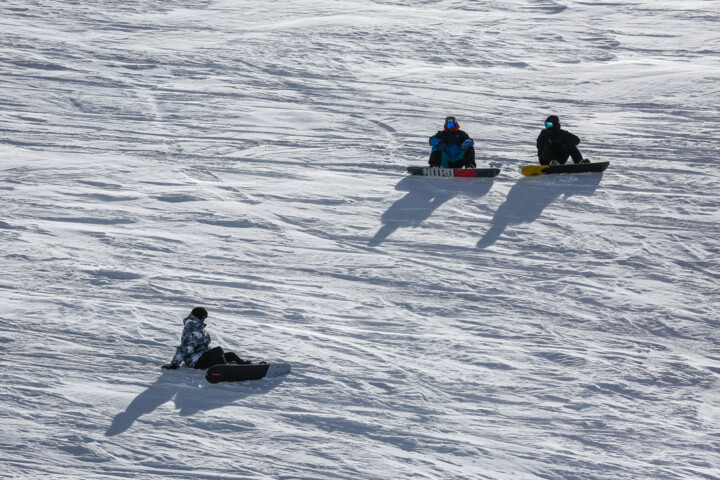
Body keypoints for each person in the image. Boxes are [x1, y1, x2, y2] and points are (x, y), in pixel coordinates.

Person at [162, 307, 251, 370]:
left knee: (230, 355)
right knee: (218, 351)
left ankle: (245, 365)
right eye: (204, 318)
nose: (204, 321)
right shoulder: (192, 331)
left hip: (201, 356)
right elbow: (184, 348)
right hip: (195, 361)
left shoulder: (198, 328)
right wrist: (174, 364)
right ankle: (226, 368)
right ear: (199, 318)